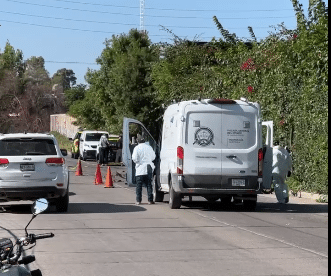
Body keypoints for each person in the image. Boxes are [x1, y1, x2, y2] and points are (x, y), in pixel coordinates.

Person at [132, 135, 156, 205]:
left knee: (139, 185)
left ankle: (138, 200)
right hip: (148, 167)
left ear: (137, 141)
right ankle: (150, 200)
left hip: (140, 168)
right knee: (149, 184)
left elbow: (134, 158)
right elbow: (153, 157)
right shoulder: (149, 147)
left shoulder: (137, 148)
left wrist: (139, 162)